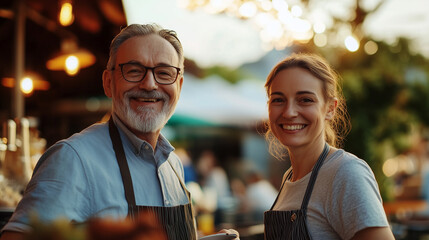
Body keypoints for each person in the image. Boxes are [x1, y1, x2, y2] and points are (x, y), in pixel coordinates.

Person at [0, 23, 238, 240]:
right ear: (108, 83)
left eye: (164, 73)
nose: (150, 84)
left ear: (179, 86)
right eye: (134, 71)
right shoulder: (73, 157)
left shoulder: (173, 164)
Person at [263, 53, 394, 240]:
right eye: (278, 99)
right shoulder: (289, 178)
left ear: (330, 108)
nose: (289, 112)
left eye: (305, 99)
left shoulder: (345, 173)